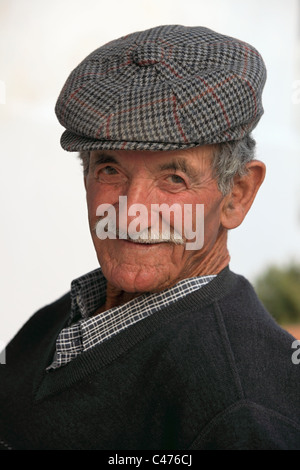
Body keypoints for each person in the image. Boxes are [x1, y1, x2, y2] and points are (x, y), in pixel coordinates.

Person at [1, 24, 300, 451]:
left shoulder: (239, 410)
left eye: (174, 178)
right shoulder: (65, 317)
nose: (132, 211)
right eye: (110, 169)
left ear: (237, 194)